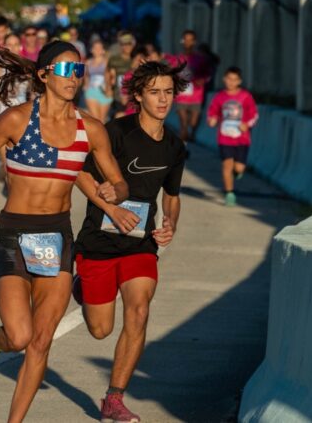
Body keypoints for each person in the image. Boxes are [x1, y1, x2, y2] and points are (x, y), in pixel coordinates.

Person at [0, 41, 129, 422]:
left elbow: (119, 183)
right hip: (14, 234)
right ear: (44, 74)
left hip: (57, 237)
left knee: (40, 341)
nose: (74, 78)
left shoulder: (91, 129)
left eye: (79, 70)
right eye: (66, 70)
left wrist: (112, 192)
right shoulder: (17, 119)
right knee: (18, 337)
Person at [74, 60, 187, 422]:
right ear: (138, 95)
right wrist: (113, 207)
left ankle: (114, 398)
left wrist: (170, 222)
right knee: (99, 329)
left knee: (139, 310)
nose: (163, 99)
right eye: (155, 92)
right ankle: (81, 286)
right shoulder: (117, 132)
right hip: (99, 242)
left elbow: (171, 194)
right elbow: (80, 173)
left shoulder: (174, 146)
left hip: (140, 245)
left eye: (168, 92)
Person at [0, 33, 31, 184]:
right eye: (9, 44)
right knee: (8, 165)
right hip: (2, 118)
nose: (13, 47)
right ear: (4, 47)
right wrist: (5, 94)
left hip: (23, 119)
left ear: (20, 46)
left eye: (16, 44)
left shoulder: (27, 67)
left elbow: (33, 94)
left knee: (23, 165)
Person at [206, 67, 258, 207]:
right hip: (225, 137)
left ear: (239, 81)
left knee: (239, 168)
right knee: (226, 165)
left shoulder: (245, 96)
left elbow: (254, 114)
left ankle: (237, 172)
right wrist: (212, 119)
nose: (231, 82)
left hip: (242, 138)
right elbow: (213, 112)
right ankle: (229, 192)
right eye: (229, 79)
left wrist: (247, 124)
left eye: (234, 79)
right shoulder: (220, 97)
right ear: (224, 79)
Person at [171, 30, 208, 142]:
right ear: (182, 41)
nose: (188, 42)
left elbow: (207, 73)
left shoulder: (200, 59)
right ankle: (182, 149)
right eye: (185, 40)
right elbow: (172, 74)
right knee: (183, 123)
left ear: (194, 42)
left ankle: (191, 134)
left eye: (190, 40)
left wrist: (202, 80)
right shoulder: (177, 59)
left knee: (192, 122)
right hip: (181, 96)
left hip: (196, 95)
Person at [107, 31, 136, 118]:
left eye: (129, 44)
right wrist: (108, 89)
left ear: (133, 45)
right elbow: (109, 75)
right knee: (119, 118)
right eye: (124, 44)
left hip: (133, 97)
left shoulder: (136, 58)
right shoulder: (114, 59)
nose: (126, 47)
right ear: (120, 45)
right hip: (118, 96)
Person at [84, 38, 113, 123]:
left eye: (99, 48)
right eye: (95, 48)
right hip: (91, 91)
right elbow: (86, 76)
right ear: (91, 50)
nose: (97, 50)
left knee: (102, 120)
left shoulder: (107, 61)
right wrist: (86, 86)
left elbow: (110, 76)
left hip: (105, 91)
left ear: (103, 50)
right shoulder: (88, 62)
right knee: (96, 120)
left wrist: (109, 89)